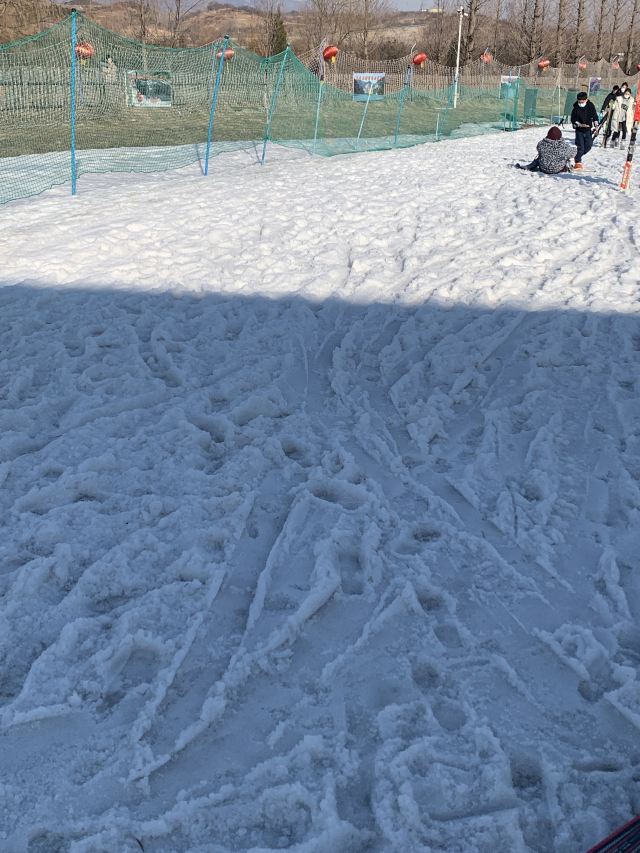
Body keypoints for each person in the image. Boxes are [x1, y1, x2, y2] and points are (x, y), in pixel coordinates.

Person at [571, 91, 599, 169]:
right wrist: (579, 124)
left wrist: (596, 126)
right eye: (579, 102)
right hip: (579, 130)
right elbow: (573, 119)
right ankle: (578, 161)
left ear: (586, 100)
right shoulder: (576, 108)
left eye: (582, 102)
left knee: (589, 145)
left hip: (588, 129)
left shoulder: (590, 106)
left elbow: (595, 116)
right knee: (581, 147)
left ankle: (577, 156)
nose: (580, 103)